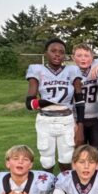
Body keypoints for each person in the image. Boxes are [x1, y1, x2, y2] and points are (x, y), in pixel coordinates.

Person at [24, 38, 85, 172]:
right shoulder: (37, 69)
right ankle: (47, 184)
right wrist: (48, 102)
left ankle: (65, 184)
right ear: (46, 53)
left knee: (67, 159)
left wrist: (80, 127)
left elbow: (79, 100)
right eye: (53, 51)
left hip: (67, 119)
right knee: (46, 160)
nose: (57, 54)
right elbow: (29, 103)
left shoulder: (72, 70)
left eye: (61, 52)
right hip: (45, 120)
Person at [71, 44, 98, 151]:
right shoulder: (69, 71)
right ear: (73, 57)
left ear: (92, 57)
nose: (83, 58)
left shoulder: (97, 65)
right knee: (77, 151)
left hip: (96, 117)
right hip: (76, 118)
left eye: (86, 55)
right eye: (79, 55)